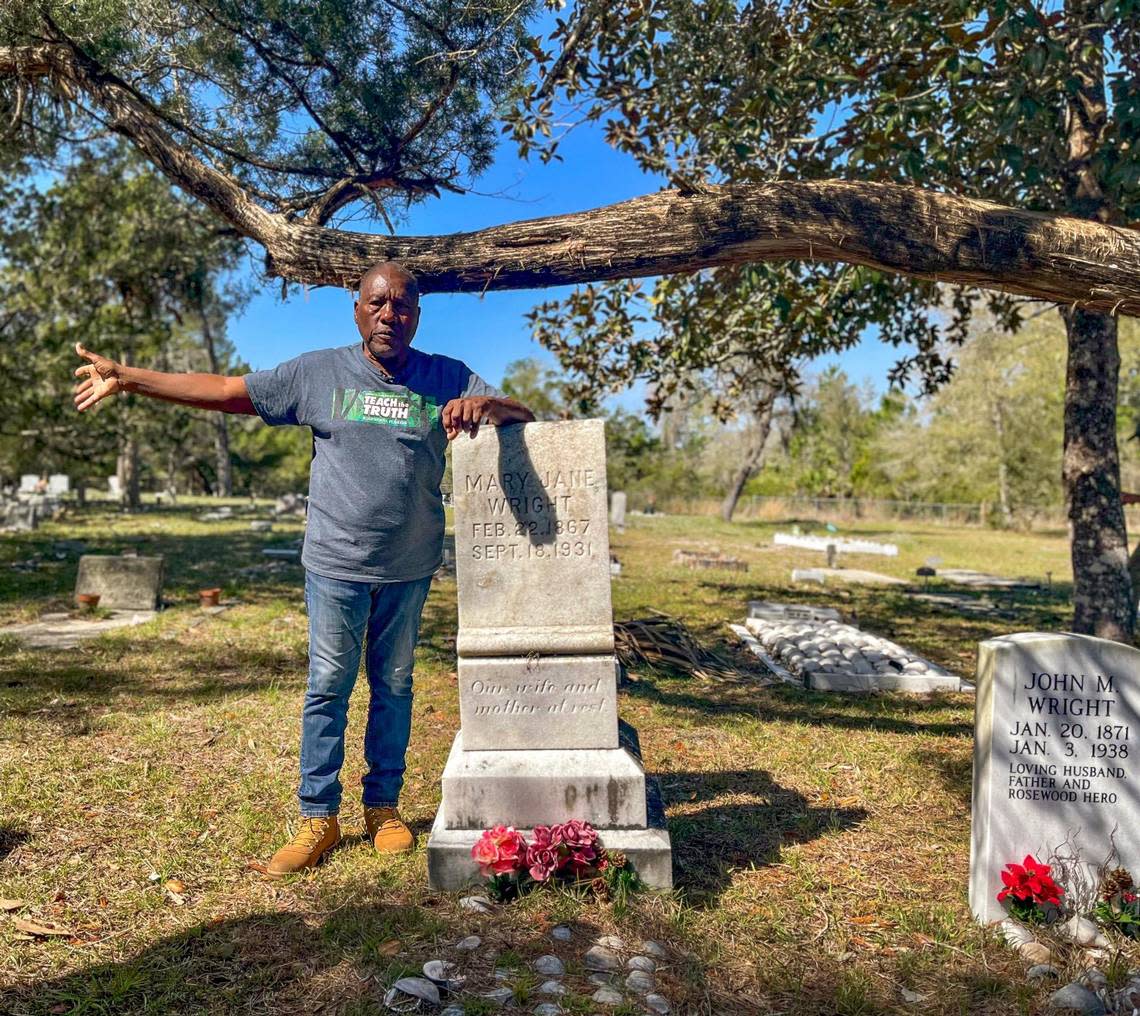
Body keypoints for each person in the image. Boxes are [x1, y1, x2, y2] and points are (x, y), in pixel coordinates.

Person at [73, 261, 535, 876]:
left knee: (394, 685)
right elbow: (229, 391)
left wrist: (486, 404)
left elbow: (523, 418)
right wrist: (130, 379)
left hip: (408, 565)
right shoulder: (318, 373)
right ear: (356, 309)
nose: (389, 315)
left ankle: (383, 807)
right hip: (335, 564)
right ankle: (318, 814)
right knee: (329, 685)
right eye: (377, 303)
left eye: (402, 306)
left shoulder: (446, 376)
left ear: (418, 316)